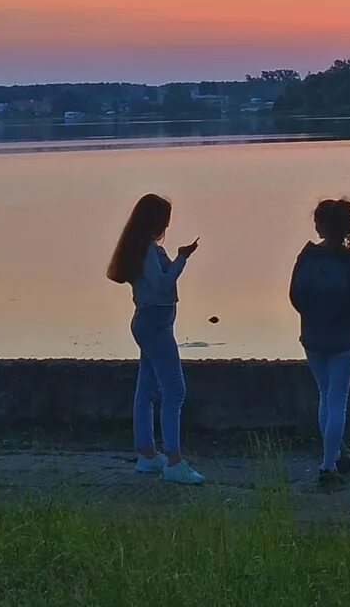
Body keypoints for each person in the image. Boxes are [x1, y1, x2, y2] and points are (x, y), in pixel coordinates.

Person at [107, 193, 204, 484]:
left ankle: (148, 455)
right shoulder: (147, 251)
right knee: (175, 390)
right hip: (154, 325)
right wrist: (182, 259)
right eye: (164, 221)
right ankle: (174, 460)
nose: (166, 226)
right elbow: (162, 284)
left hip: (152, 323)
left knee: (147, 390)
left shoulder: (142, 250)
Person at [289, 199, 350, 491]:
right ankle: (328, 465)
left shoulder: (307, 257)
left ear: (321, 225)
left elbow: (295, 296)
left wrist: (313, 316)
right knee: (337, 398)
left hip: (312, 337)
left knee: (325, 394)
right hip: (343, 339)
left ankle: (335, 455)